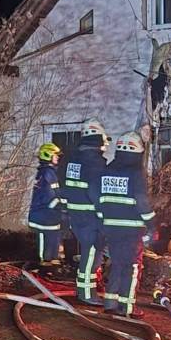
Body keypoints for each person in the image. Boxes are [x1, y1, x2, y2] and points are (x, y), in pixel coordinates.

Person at [93, 131, 156, 318]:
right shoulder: (136, 172)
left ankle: (111, 303)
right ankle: (127, 308)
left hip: (111, 229)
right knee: (132, 267)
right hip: (131, 230)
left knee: (118, 264)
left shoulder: (108, 169)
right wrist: (152, 223)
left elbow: (99, 198)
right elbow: (142, 202)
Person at [61, 118, 109, 305]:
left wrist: (66, 211)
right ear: (99, 140)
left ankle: (84, 291)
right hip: (90, 217)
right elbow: (96, 193)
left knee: (89, 253)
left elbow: (65, 188)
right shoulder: (95, 163)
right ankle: (87, 294)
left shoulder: (72, 159)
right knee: (92, 255)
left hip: (77, 215)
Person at [28, 142, 64, 269]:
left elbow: (55, 193)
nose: (58, 157)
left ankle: (52, 262)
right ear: (48, 155)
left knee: (53, 238)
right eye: (55, 155)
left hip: (49, 216)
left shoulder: (50, 173)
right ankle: (45, 264)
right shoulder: (46, 174)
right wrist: (61, 204)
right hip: (43, 215)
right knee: (45, 240)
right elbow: (48, 197)